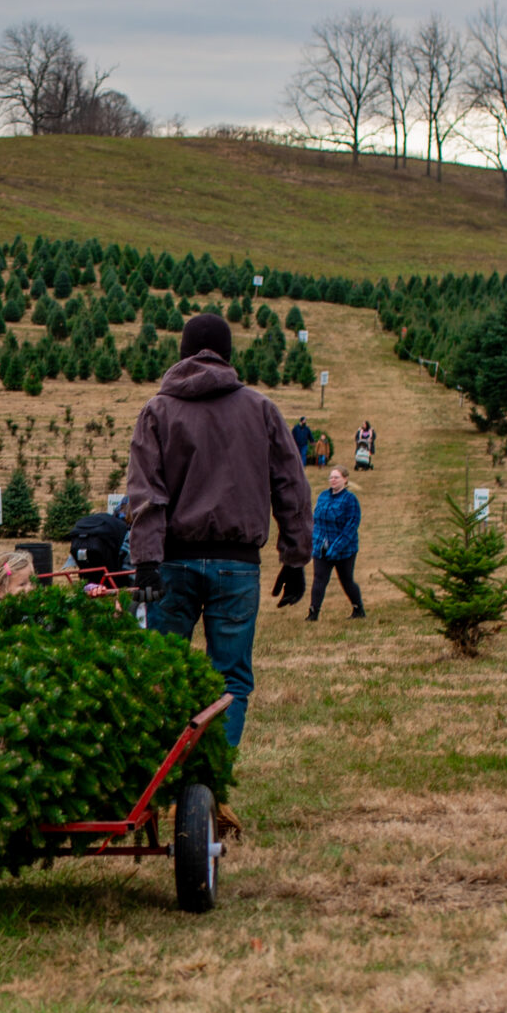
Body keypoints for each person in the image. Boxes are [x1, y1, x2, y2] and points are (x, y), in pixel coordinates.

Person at [124, 311, 311, 747]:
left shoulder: (157, 411)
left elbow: (145, 494)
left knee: (162, 673)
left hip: (173, 564)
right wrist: (295, 558)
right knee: (230, 679)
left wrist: (146, 562)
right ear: (228, 354)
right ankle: (213, 783)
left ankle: (167, 776)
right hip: (237, 565)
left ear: (183, 353)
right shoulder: (261, 409)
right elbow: (291, 486)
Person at [307, 467, 364, 621]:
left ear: (345, 480)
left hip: (345, 550)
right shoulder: (323, 496)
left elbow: (351, 526)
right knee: (319, 579)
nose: (333, 480)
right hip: (322, 549)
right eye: (331, 477)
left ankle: (358, 609)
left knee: (346, 580)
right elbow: (316, 521)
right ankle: (313, 613)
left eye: (336, 477)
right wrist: (316, 542)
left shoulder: (350, 500)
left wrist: (336, 547)